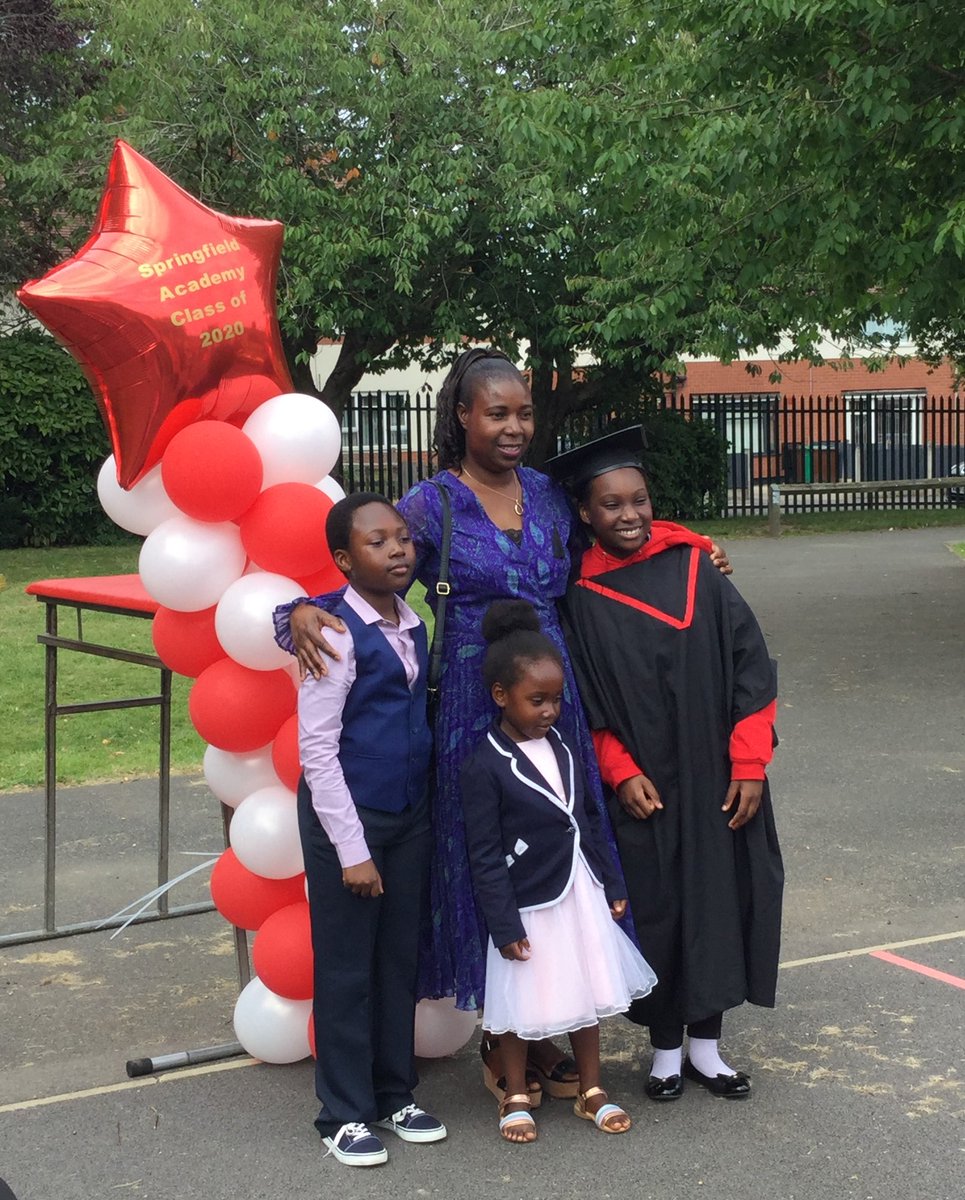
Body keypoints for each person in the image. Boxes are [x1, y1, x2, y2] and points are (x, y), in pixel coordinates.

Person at [275, 347, 730, 1101]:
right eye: (497, 412)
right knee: (483, 859)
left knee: (556, 849)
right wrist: (291, 610)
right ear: (462, 415)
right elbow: (361, 573)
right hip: (468, 704)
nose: (514, 425)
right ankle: (501, 1036)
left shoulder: (552, 496)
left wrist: (694, 548)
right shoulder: (430, 505)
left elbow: (624, 537)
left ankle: (547, 1022)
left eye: (522, 412)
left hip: (556, 696)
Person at [548, 428, 784, 1102]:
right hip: (643, 783)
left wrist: (748, 764)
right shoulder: (578, 598)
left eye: (639, 500)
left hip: (716, 776)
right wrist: (617, 769)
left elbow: (751, 669)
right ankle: (662, 1052)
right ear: (585, 515)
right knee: (657, 905)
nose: (629, 515)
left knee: (718, 898)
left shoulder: (696, 570)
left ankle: (706, 1049)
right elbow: (582, 701)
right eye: (611, 505)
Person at [460, 600, 656, 1142]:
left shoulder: (565, 750)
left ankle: (592, 1088)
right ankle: (516, 1091)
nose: (549, 710)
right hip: (527, 902)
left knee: (588, 988)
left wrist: (611, 883)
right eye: (536, 700)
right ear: (501, 696)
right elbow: (483, 853)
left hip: (580, 892)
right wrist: (504, 924)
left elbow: (588, 822)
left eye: (556, 699)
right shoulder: (484, 765)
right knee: (525, 998)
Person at [296, 493, 446, 1167]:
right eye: (376, 542)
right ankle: (343, 1112)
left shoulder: (411, 621)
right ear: (341, 560)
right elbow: (318, 751)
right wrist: (351, 851)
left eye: (402, 538)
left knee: (396, 960)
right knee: (349, 965)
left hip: (407, 815)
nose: (396, 550)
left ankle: (393, 1092)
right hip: (348, 821)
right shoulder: (330, 632)